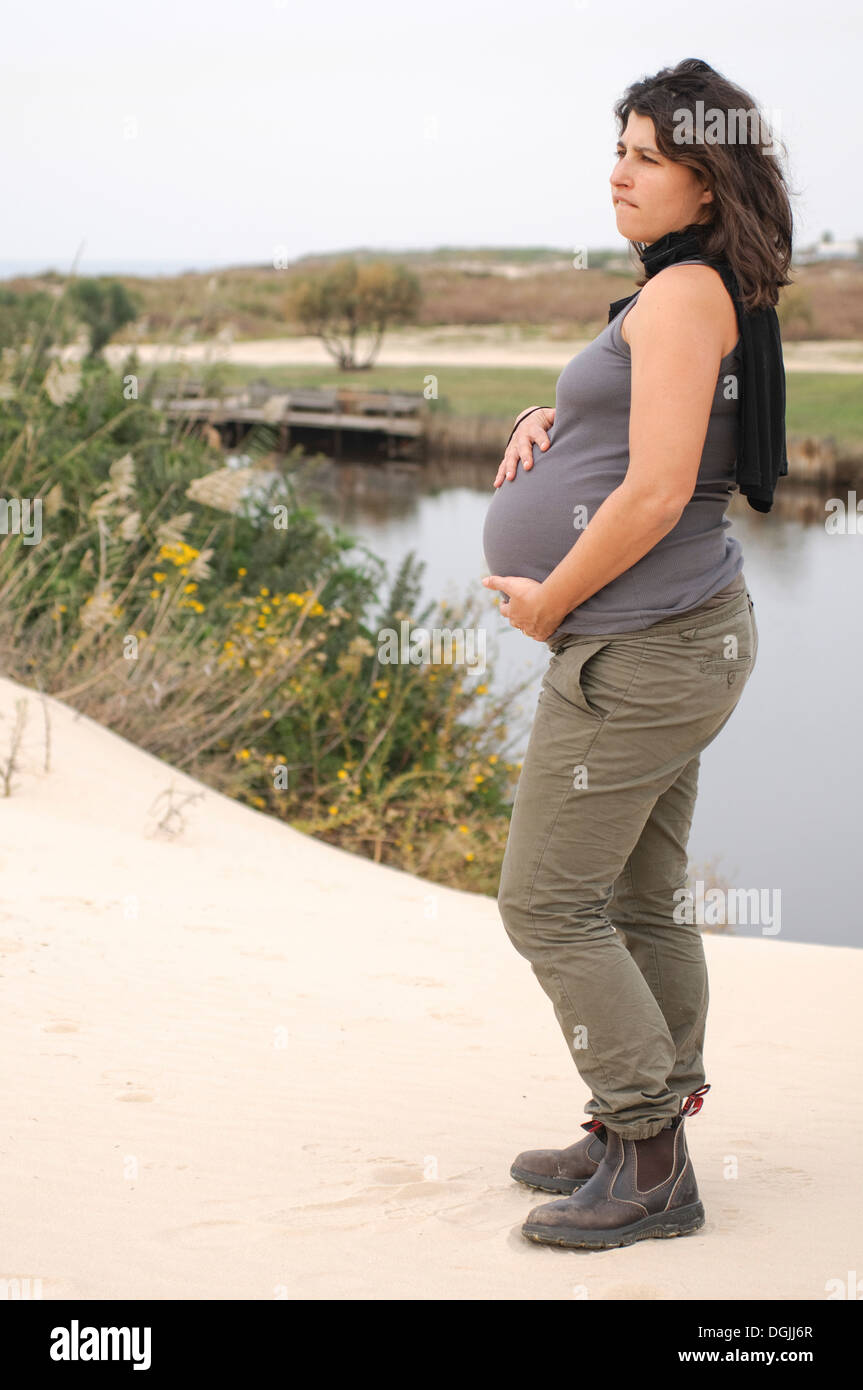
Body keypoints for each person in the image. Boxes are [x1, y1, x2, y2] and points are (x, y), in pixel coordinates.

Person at [480, 57, 792, 1250]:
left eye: (649, 156)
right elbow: (646, 436)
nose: (619, 172)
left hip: (640, 648)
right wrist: (550, 421)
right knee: (634, 894)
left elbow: (660, 490)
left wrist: (550, 602)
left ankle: (648, 1151)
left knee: (545, 903)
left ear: (706, 183)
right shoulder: (682, 288)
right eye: (617, 146)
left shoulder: (681, 295)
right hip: (680, 639)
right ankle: (631, 1127)